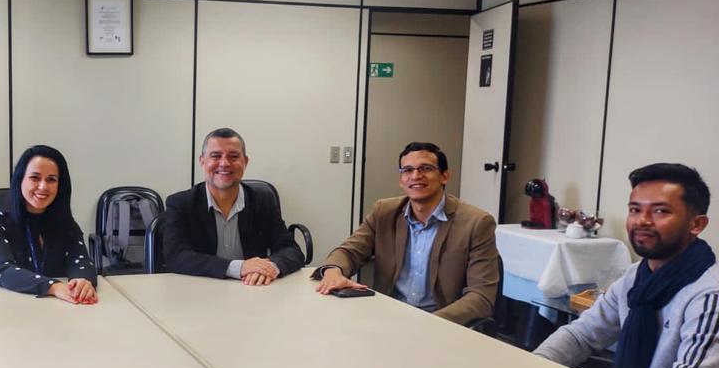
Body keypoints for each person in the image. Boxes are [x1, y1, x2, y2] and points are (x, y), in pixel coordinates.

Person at [535, 163, 719, 368]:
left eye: (660, 211)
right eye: (635, 209)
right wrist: (533, 366)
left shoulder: (709, 296)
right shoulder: (636, 276)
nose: (642, 221)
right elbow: (582, 335)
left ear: (696, 224)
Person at [314, 141, 498, 326]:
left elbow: (481, 297)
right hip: (386, 320)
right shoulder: (384, 212)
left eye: (426, 168)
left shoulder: (476, 223)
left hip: (441, 325)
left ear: (444, 176)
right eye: (408, 170)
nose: (416, 176)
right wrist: (333, 271)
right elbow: (348, 251)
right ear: (401, 180)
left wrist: (428, 323)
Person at [163, 128, 305, 285]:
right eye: (216, 156)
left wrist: (270, 267)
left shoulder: (263, 201)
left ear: (245, 162)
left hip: (253, 290)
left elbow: (291, 251)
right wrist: (239, 267)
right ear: (202, 161)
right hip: (200, 290)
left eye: (234, 156)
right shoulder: (181, 203)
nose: (224, 163)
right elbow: (175, 256)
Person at [0, 145, 97, 304]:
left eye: (51, 179)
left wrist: (83, 281)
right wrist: (53, 287)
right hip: (12, 307)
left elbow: (81, 260)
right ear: (20, 179)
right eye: (35, 178)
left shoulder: (66, 223)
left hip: (60, 309)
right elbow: (2, 270)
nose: (43, 186)